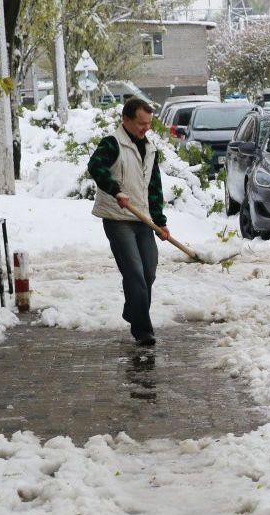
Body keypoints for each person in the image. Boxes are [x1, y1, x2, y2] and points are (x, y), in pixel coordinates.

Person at [87, 98, 169, 346]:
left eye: (149, 124)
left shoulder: (150, 148)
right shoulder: (113, 144)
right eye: (141, 124)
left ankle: (133, 311)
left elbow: (153, 187)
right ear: (126, 119)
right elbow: (96, 166)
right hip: (118, 218)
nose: (146, 128)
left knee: (149, 272)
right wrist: (115, 190)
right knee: (134, 273)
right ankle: (143, 330)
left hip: (142, 218)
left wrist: (161, 221)